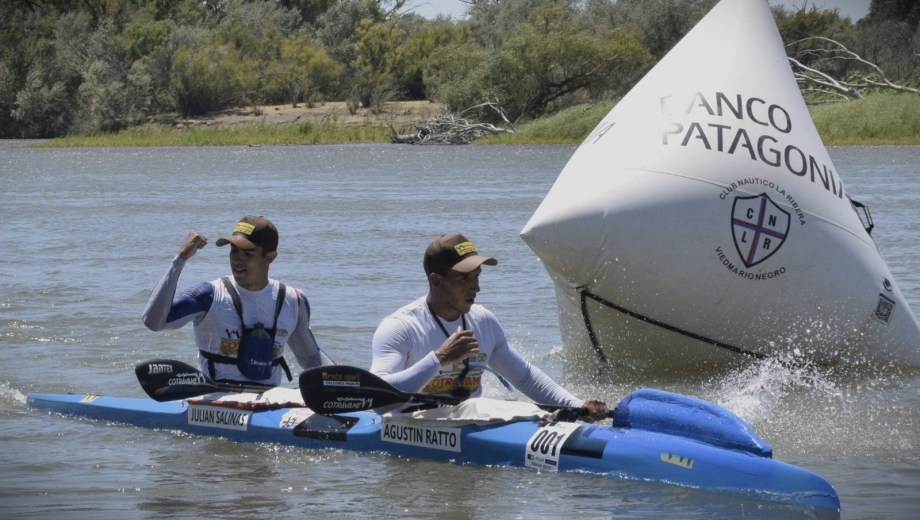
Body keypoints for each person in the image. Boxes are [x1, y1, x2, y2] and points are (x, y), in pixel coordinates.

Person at [370, 233, 608, 421]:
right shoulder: (400, 327)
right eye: (464, 279)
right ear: (436, 281)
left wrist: (576, 406)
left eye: (477, 276)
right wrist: (440, 358)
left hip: (470, 421)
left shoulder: (483, 321)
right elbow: (377, 396)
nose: (476, 288)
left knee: (513, 410)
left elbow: (525, 377)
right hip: (410, 423)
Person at [143, 215, 334, 386]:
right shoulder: (208, 296)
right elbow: (154, 322)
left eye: (247, 254)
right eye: (234, 251)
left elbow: (312, 360)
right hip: (214, 400)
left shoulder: (294, 300)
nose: (237, 260)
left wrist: (343, 386)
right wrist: (181, 259)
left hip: (268, 403)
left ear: (269, 258)